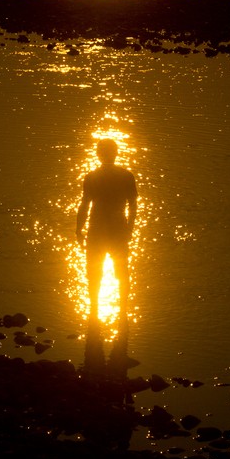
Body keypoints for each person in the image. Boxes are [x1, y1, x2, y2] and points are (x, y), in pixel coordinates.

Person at [75, 138, 138, 323]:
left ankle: (94, 311)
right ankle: (123, 312)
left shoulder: (91, 177)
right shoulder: (126, 175)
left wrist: (79, 229)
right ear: (116, 153)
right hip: (119, 228)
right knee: (122, 271)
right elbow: (133, 205)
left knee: (94, 272)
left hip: (96, 229)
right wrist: (130, 228)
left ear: (98, 154)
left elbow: (85, 204)